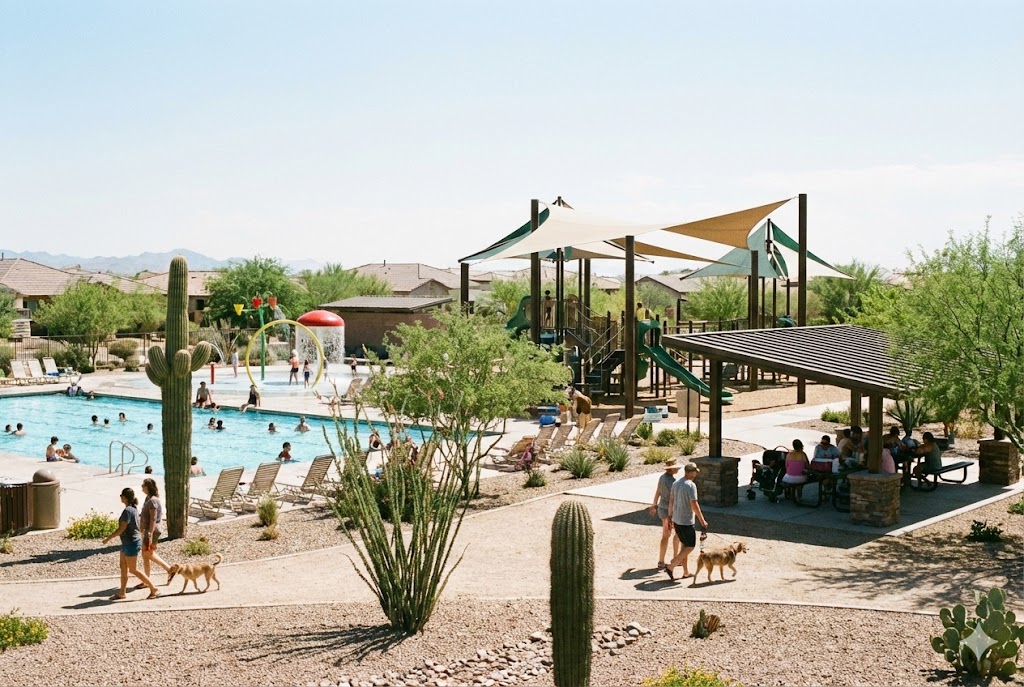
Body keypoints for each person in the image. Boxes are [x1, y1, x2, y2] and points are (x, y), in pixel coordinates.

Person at [101, 487, 159, 600]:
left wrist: (108, 538)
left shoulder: (128, 511)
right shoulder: (133, 508)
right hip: (128, 542)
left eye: (121, 496)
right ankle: (122, 592)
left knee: (133, 569)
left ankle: (153, 588)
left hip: (131, 543)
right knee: (123, 567)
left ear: (125, 497)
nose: (120, 497)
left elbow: (121, 528)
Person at [665, 463, 708, 581]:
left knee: (684, 547)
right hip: (686, 521)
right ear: (689, 472)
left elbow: (671, 501)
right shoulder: (690, 485)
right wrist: (702, 520)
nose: (696, 474)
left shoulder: (676, 483)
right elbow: (694, 504)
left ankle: (685, 572)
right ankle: (671, 565)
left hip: (676, 520)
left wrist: (670, 516)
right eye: (694, 472)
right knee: (690, 546)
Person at [648, 458, 682, 571]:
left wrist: (654, 504)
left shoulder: (662, 478)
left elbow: (658, 491)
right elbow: (675, 498)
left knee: (666, 535)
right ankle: (675, 559)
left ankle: (661, 560)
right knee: (676, 534)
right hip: (670, 512)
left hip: (662, 509)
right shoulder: (673, 482)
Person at [138, 478, 170, 584]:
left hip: (151, 531)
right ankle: (147, 579)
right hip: (147, 531)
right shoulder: (148, 498)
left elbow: (153, 518)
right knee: (146, 554)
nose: (142, 487)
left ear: (148, 487)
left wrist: (150, 534)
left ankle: (169, 569)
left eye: (143, 485)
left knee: (148, 554)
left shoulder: (153, 501)